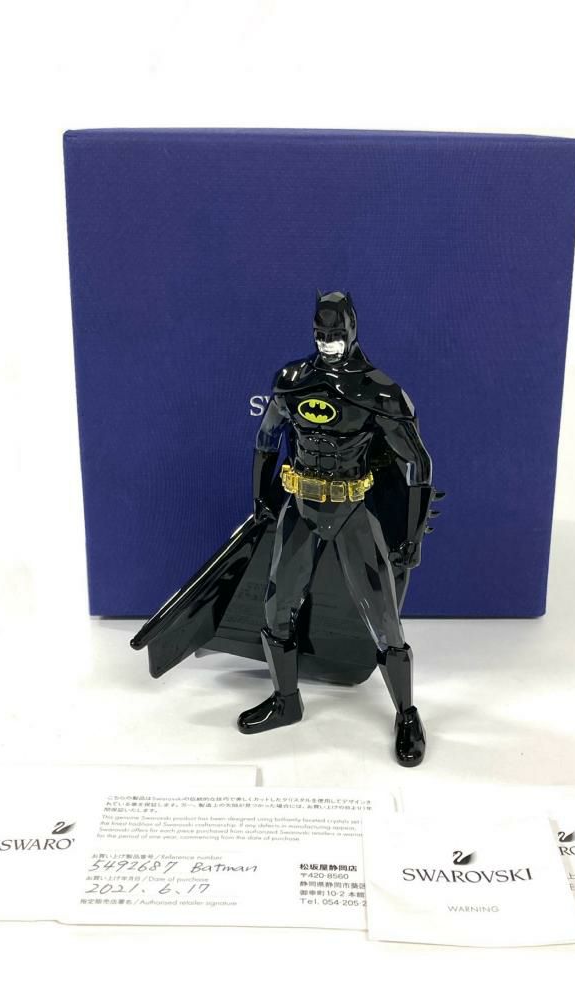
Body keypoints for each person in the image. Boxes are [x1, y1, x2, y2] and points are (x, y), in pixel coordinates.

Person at [241, 291, 434, 766]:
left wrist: (411, 535)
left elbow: (418, 465)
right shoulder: (292, 381)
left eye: (335, 334)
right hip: (300, 507)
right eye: (320, 334)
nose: (328, 343)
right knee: (277, 607)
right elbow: (266, 440)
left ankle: (407, 713)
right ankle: (286, 700)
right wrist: (261, 500)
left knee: (384, 620)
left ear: (352, 331)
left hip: (351, 510)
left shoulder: (378, 392)